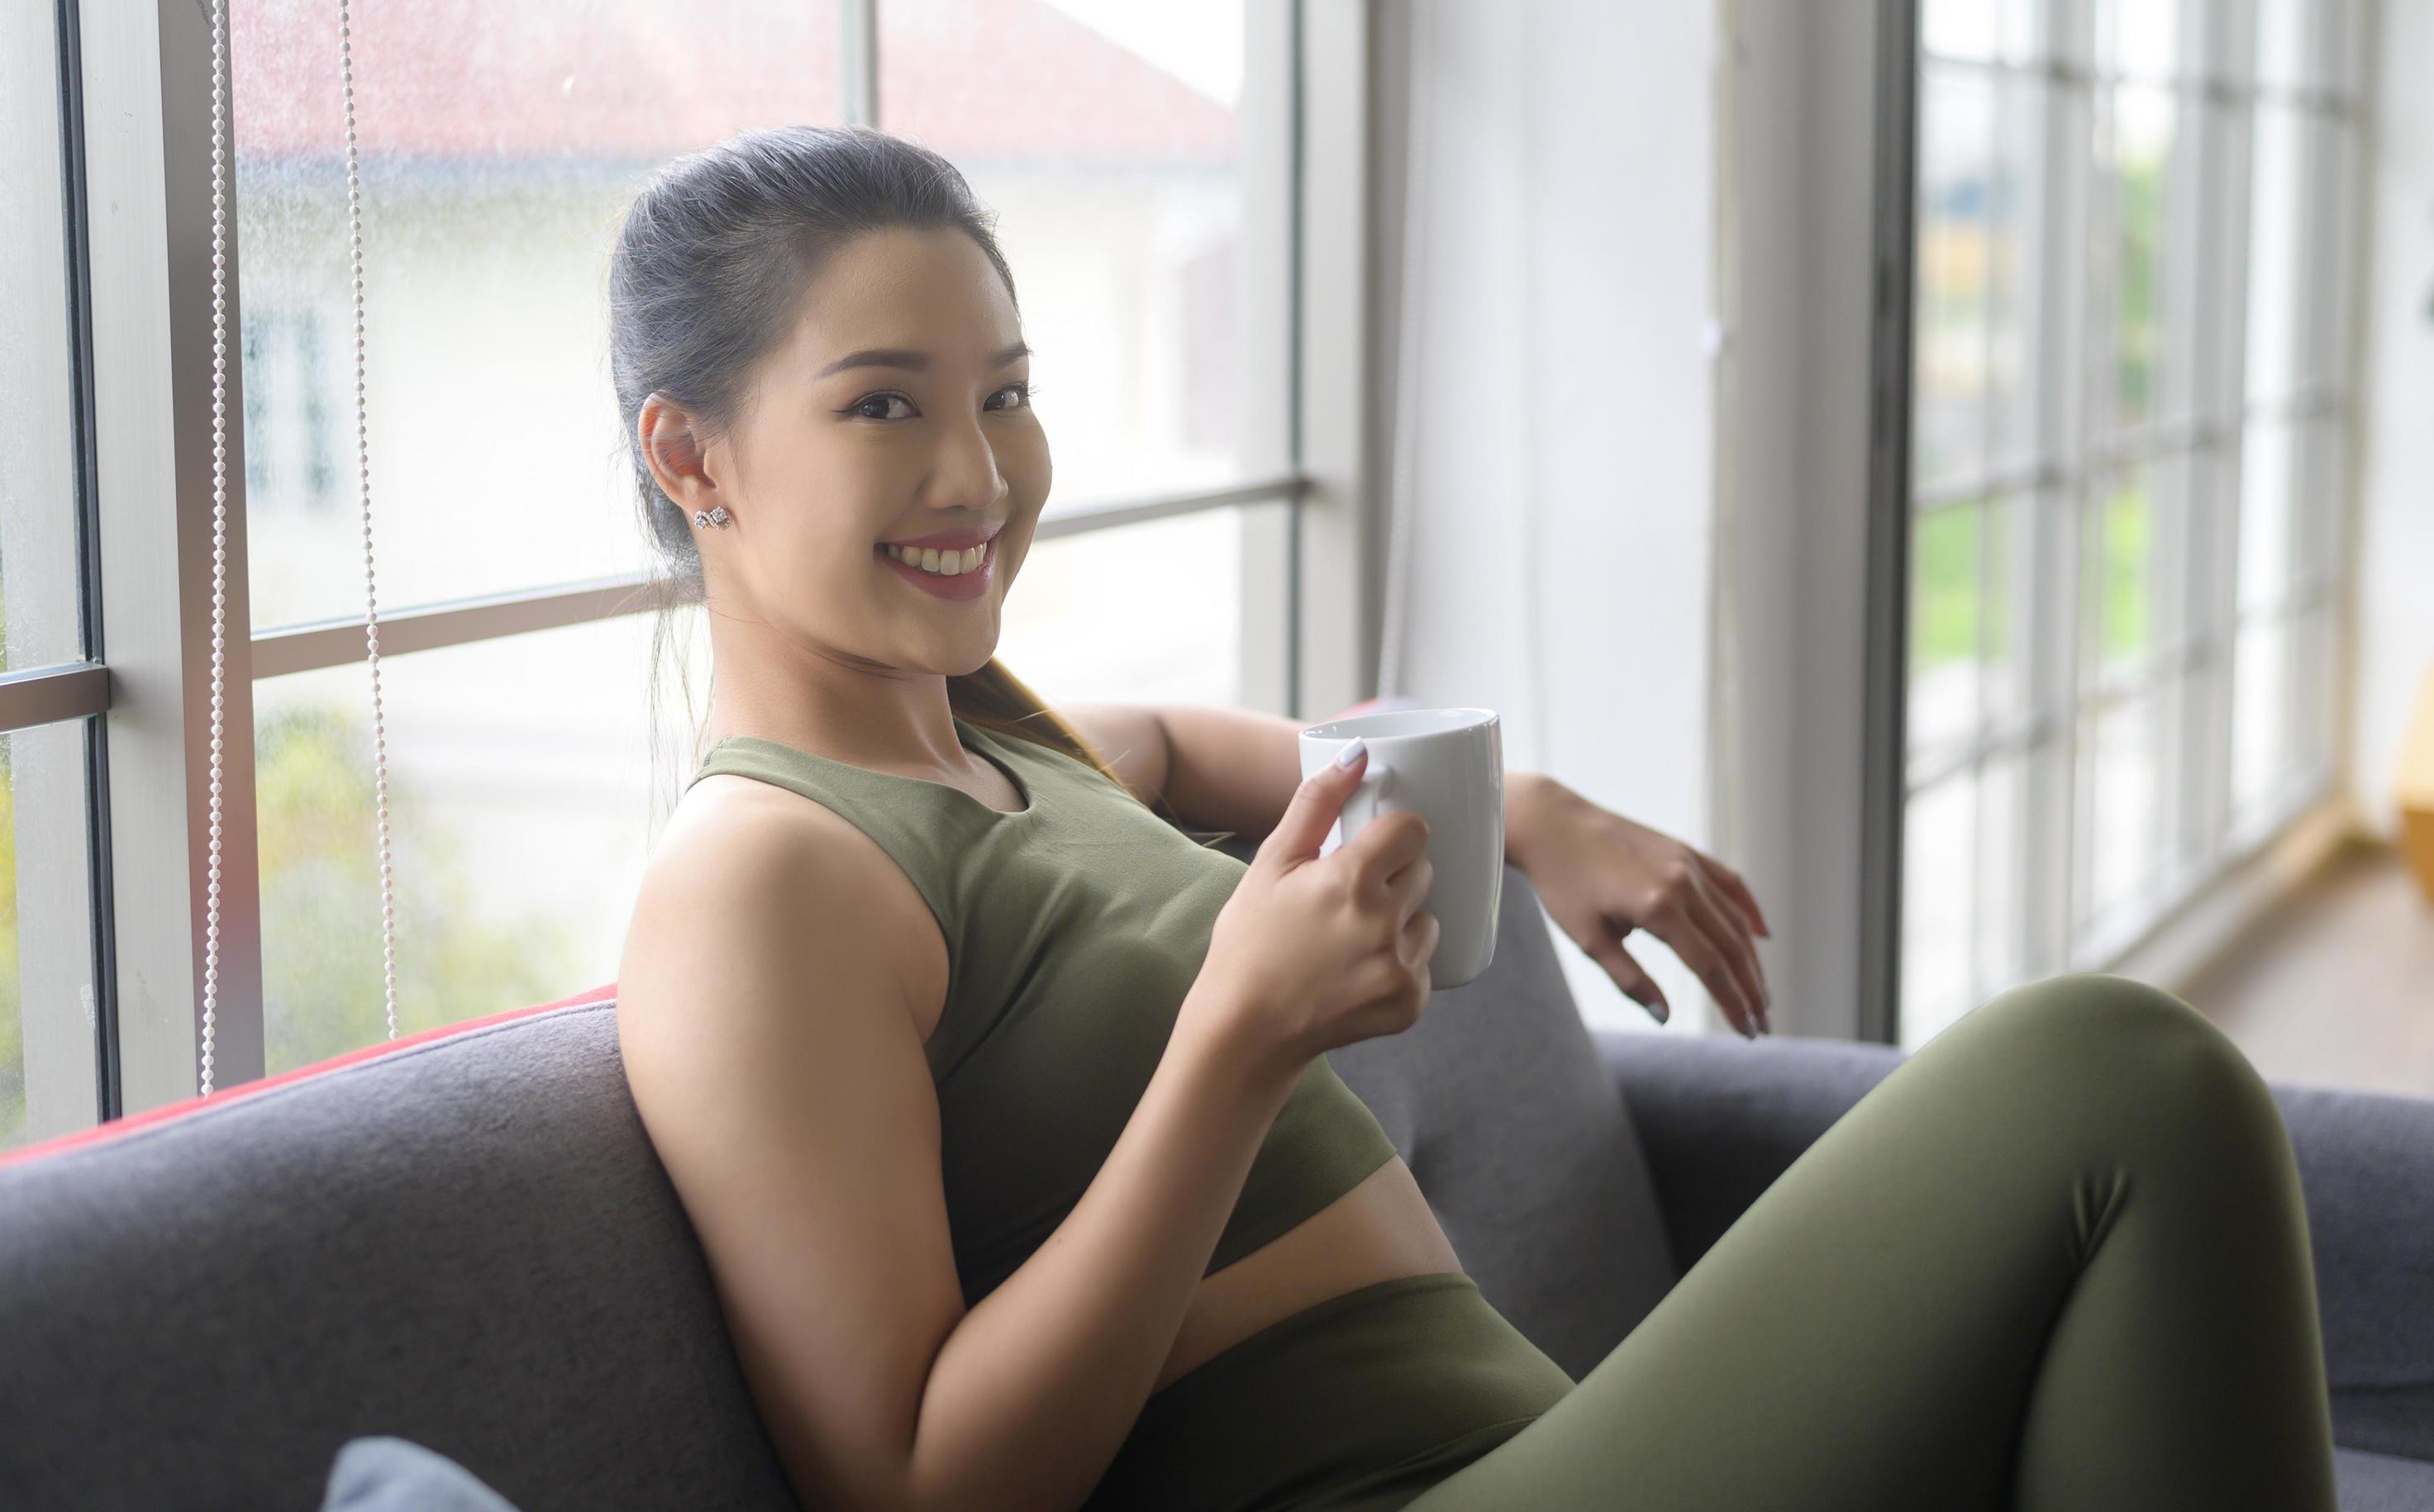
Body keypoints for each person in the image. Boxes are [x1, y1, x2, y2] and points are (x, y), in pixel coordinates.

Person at [609, 124, 2340, 1511]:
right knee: (2117, 1079)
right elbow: (915, 1482)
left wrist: (1532, 808)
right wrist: (1236, 1039)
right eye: (884, 402)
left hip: (1528, 1446)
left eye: (1005, 390)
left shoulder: (1000, 729)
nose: (981, 475)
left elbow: (1264, 755)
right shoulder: (757, 878)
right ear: (695, 460)